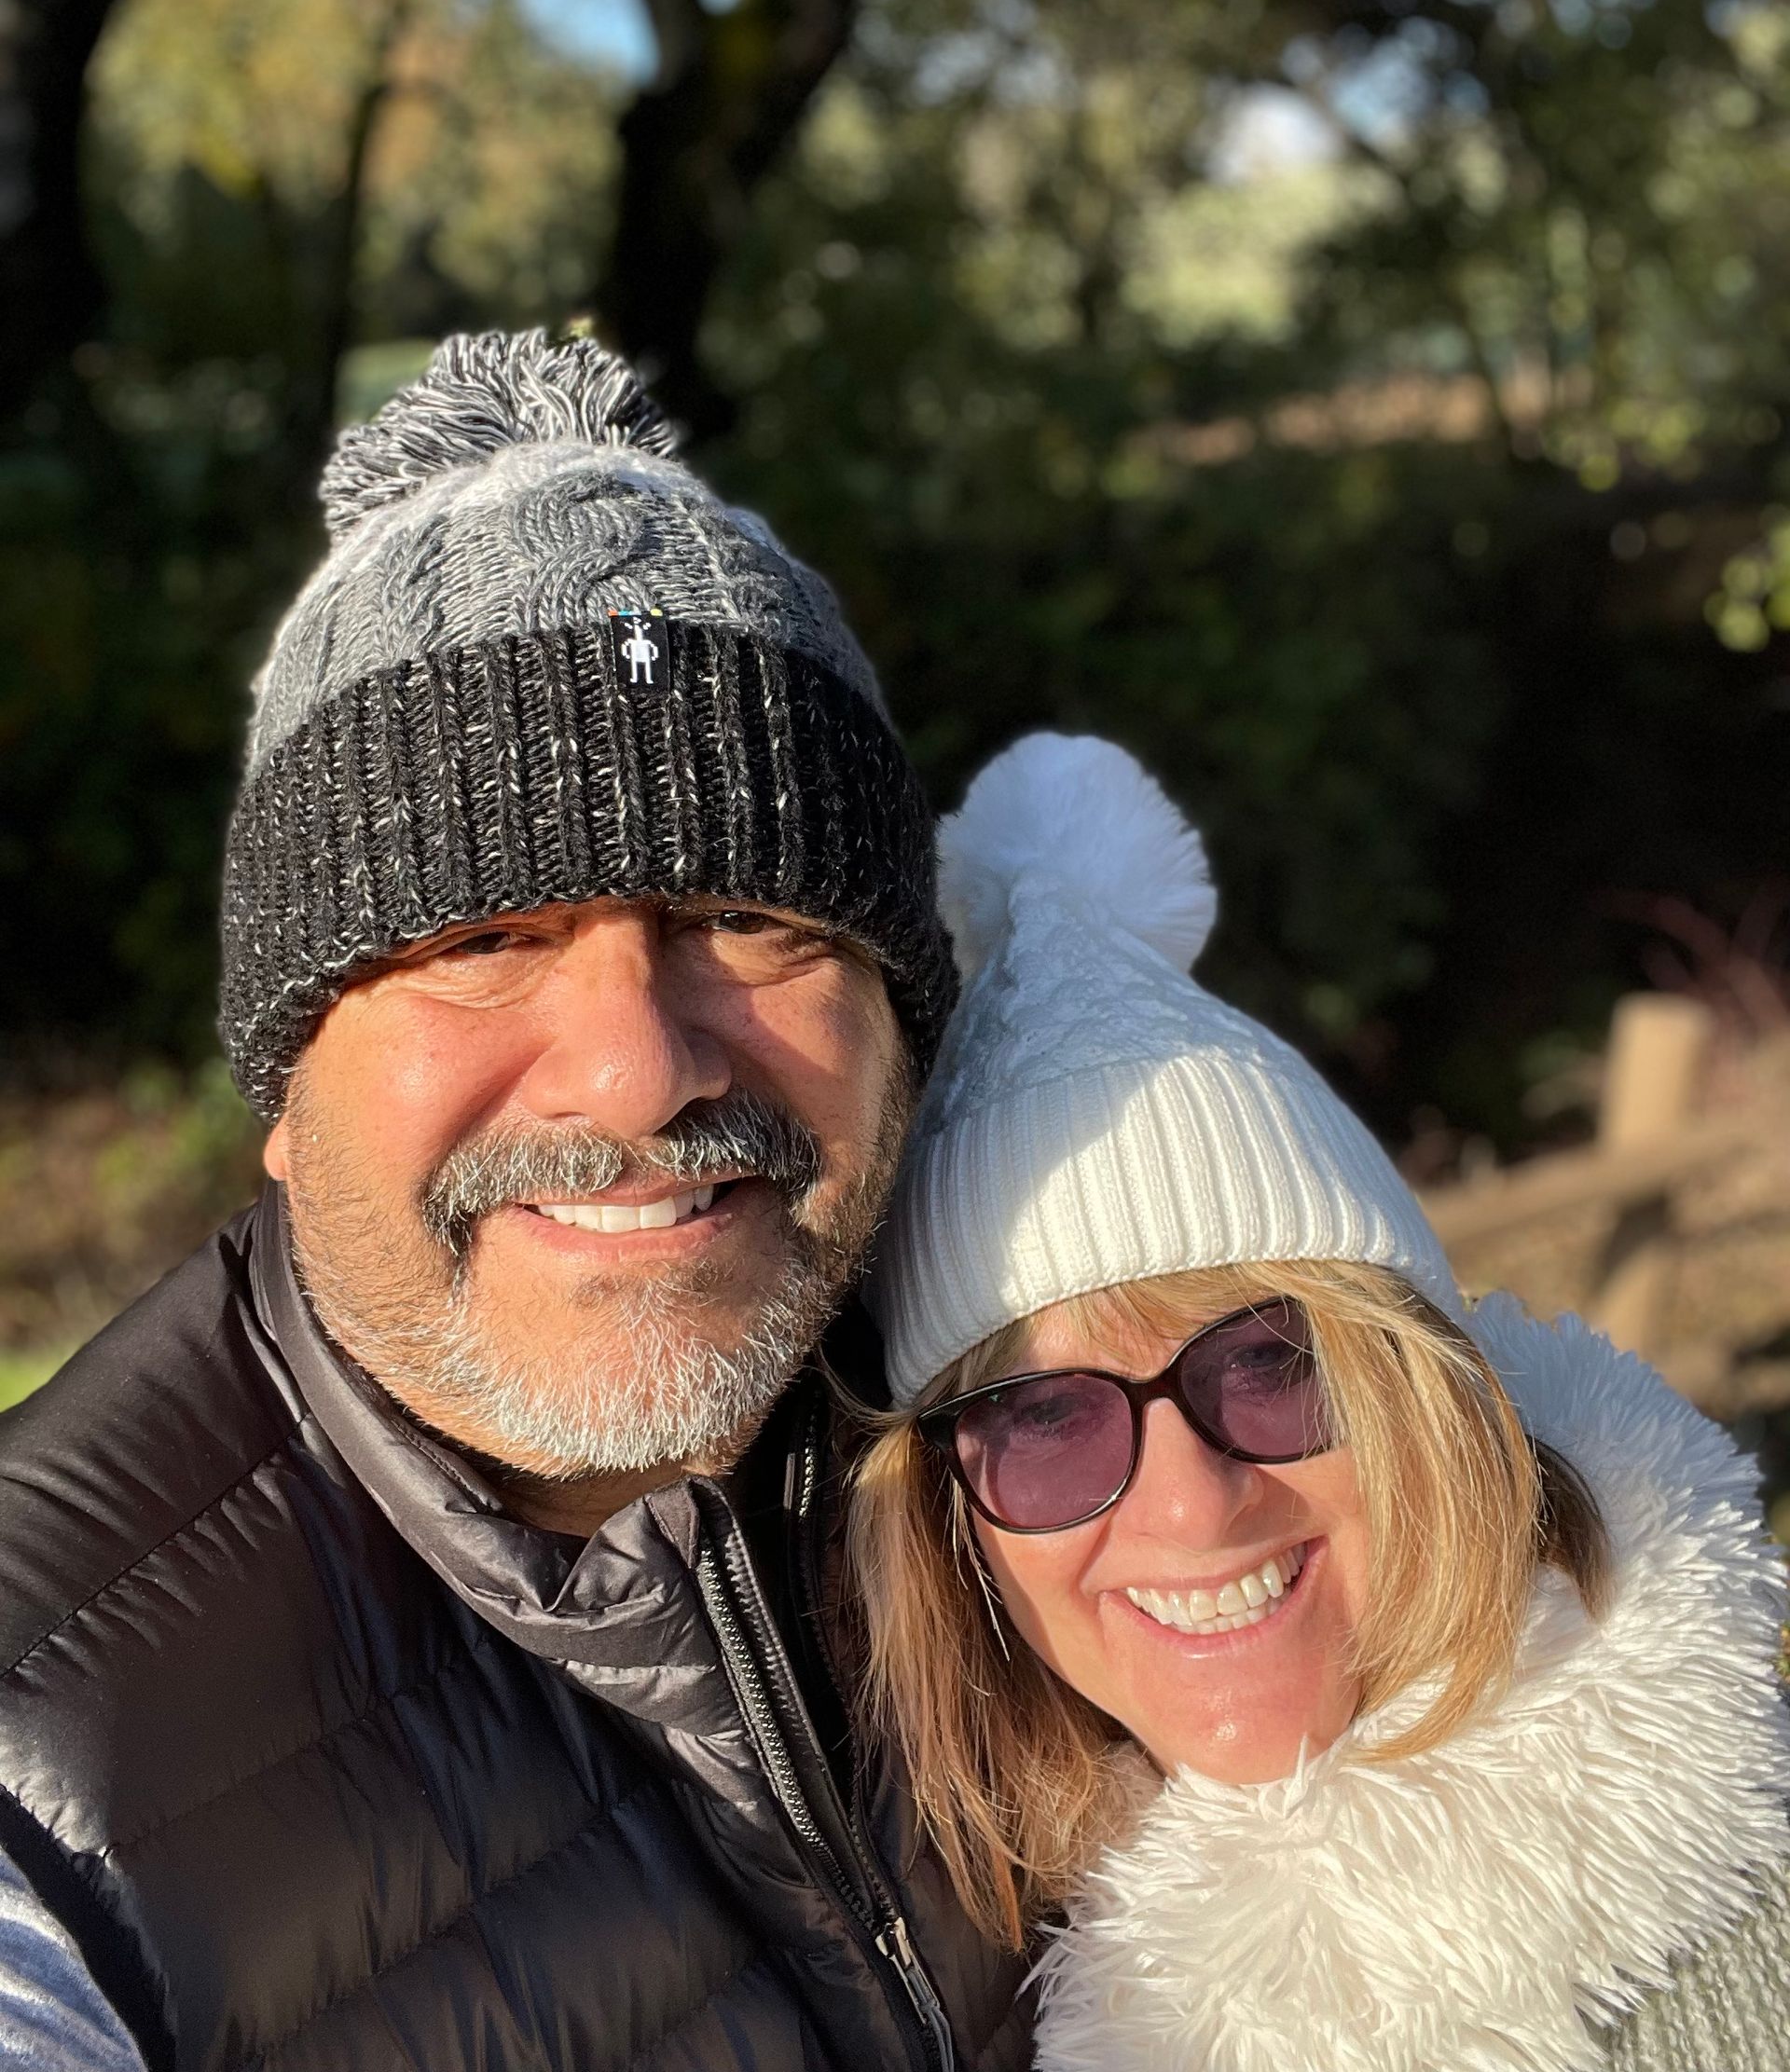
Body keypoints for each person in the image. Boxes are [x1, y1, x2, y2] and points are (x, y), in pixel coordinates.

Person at [0, 332, 1031, 2072]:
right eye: (482, 945)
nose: (639, 1070)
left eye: (748, 918)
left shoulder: (1092, 1434)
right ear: (284, 1074)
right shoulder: (49, 1810)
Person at [850, 733, 1790, 2072]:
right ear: (951, 1531)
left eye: (1268, 1366)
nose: (1191, 1501)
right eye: (1045, 1421)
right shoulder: (996, 1973)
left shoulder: (1746, 1931)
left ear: (1427, 1391)